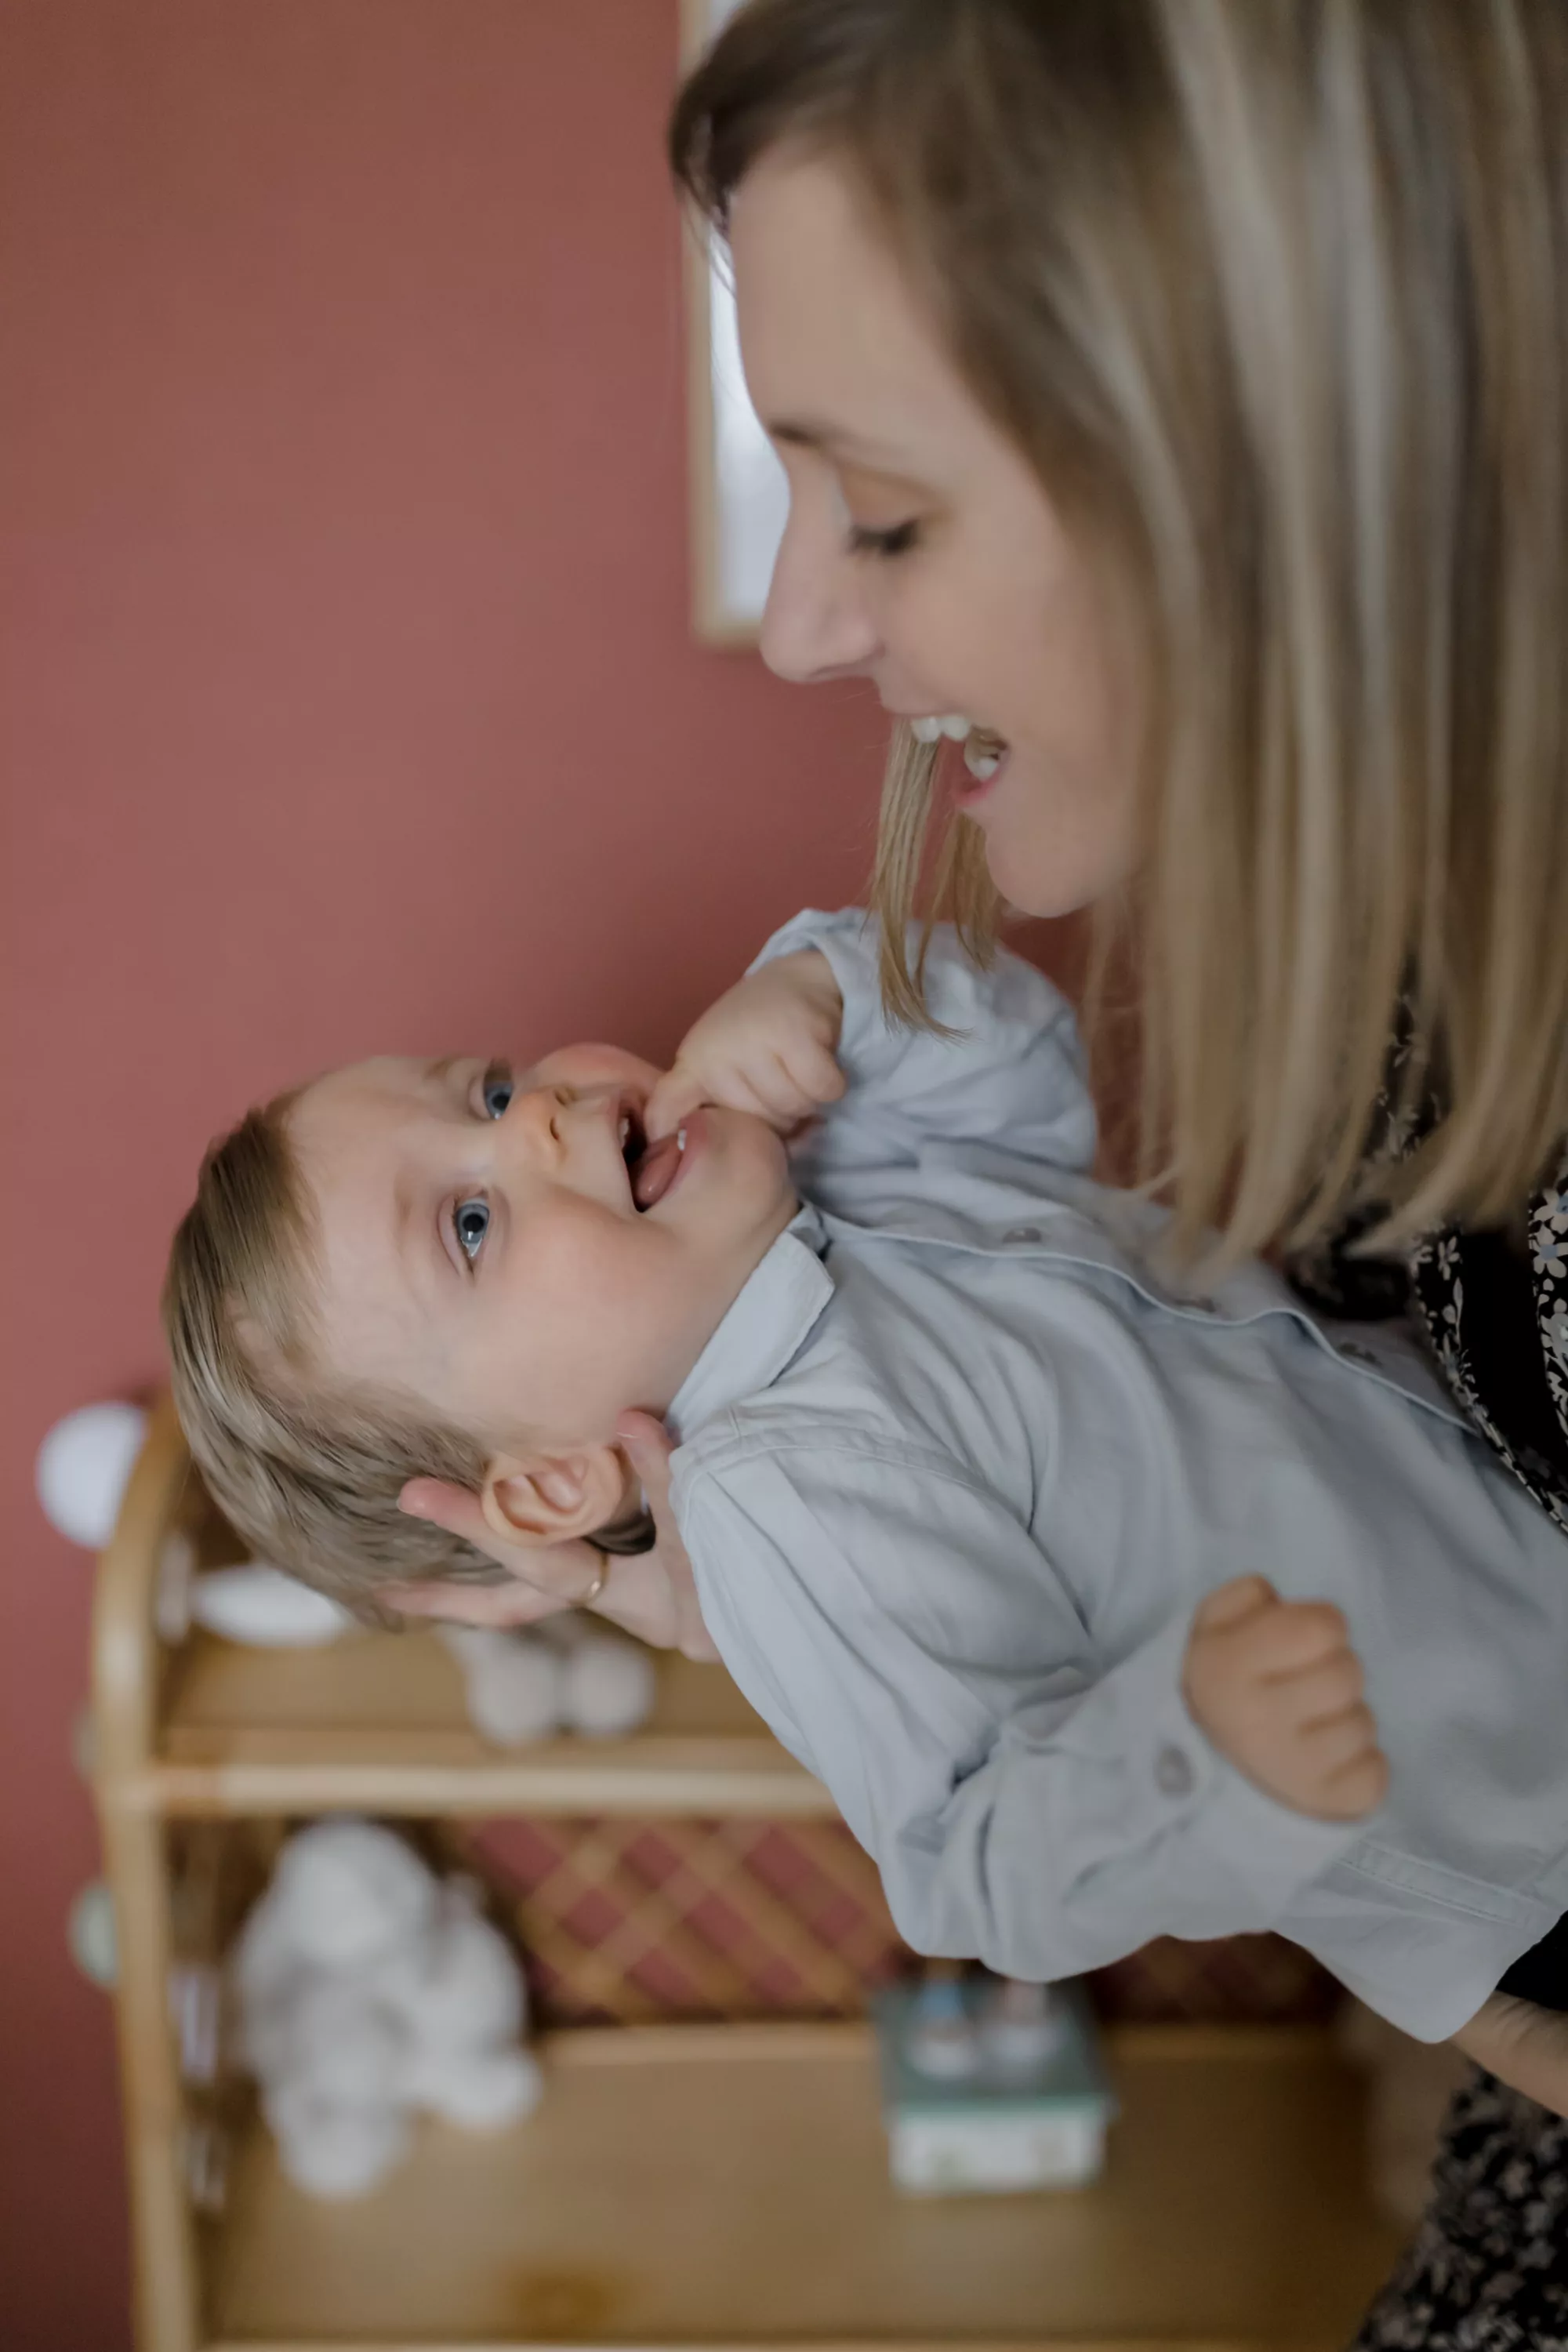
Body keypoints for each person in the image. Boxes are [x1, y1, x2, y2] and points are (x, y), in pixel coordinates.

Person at [411, 5, 1568, 2338]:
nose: (815, 620)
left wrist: (819, 1000)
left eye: (890, 510)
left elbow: (998, 1074)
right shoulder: (798, 1467)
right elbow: (994, 1832)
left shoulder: (847, 1228)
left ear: (1269, 455)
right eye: (461, 1215)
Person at [164, 906, 1568, 2111]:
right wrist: (1187, 1757)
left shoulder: (840, 1173)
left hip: (1494, 1491)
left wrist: (832, 990)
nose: (534, 1113)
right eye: (471, 1225)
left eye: (482, 1092)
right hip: (1512, 1825)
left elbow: (1027, 1069)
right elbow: (969, 1870)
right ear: (546, 1484)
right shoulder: (787, 1502)